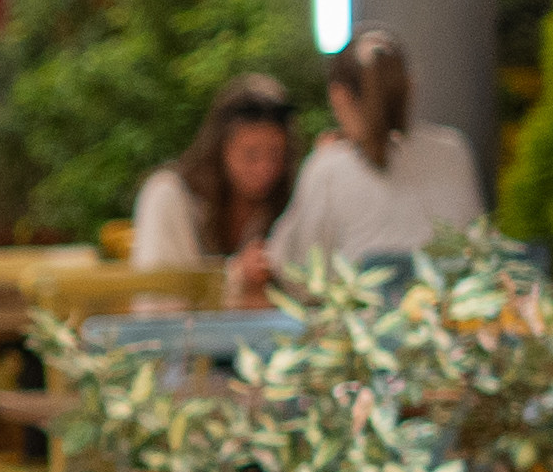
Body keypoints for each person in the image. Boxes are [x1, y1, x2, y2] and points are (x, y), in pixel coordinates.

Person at [265, 30, 481, 272]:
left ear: (339, 96)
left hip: (362, 307)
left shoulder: (328, 168)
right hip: (445, 307)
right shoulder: (453, 150)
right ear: (410, 86)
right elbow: (477, 248)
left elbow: (297, 269)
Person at [132, 74, 297, 290]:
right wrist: (235, 275)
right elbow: (159, 292)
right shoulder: (168, 195)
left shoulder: (279, 204)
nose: (264, 168)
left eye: (275, 155)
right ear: (220, 149)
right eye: (251, 155)